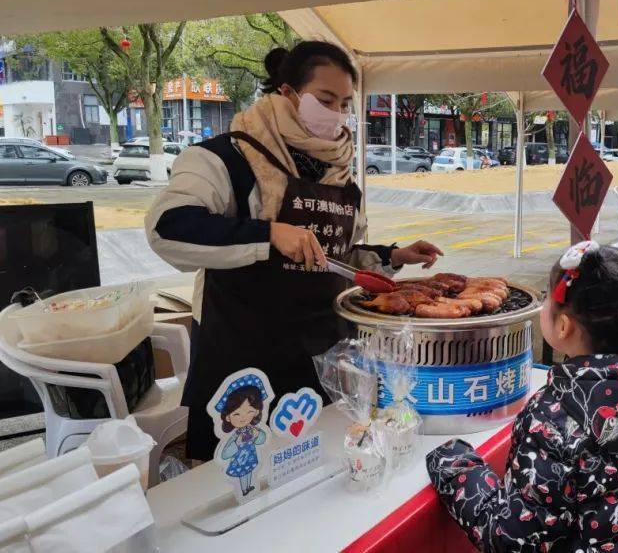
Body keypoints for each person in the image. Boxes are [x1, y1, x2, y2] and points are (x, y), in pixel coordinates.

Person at [146, 41, 442, 461]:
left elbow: (335, 256)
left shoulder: (341, 178)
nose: (336, 114)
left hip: (321, 360)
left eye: (343, 104)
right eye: (325, 100)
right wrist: (268, 234)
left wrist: (394, 256)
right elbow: (167, 228)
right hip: (244, 358)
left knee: (318, 474)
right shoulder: (225, 159)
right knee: (244, 480)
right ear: (287, 93)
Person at [427, 239, 618, 552]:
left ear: (563, 326)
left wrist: (458, 469)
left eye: (546, 300)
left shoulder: (555, 418)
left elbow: (513, 539)